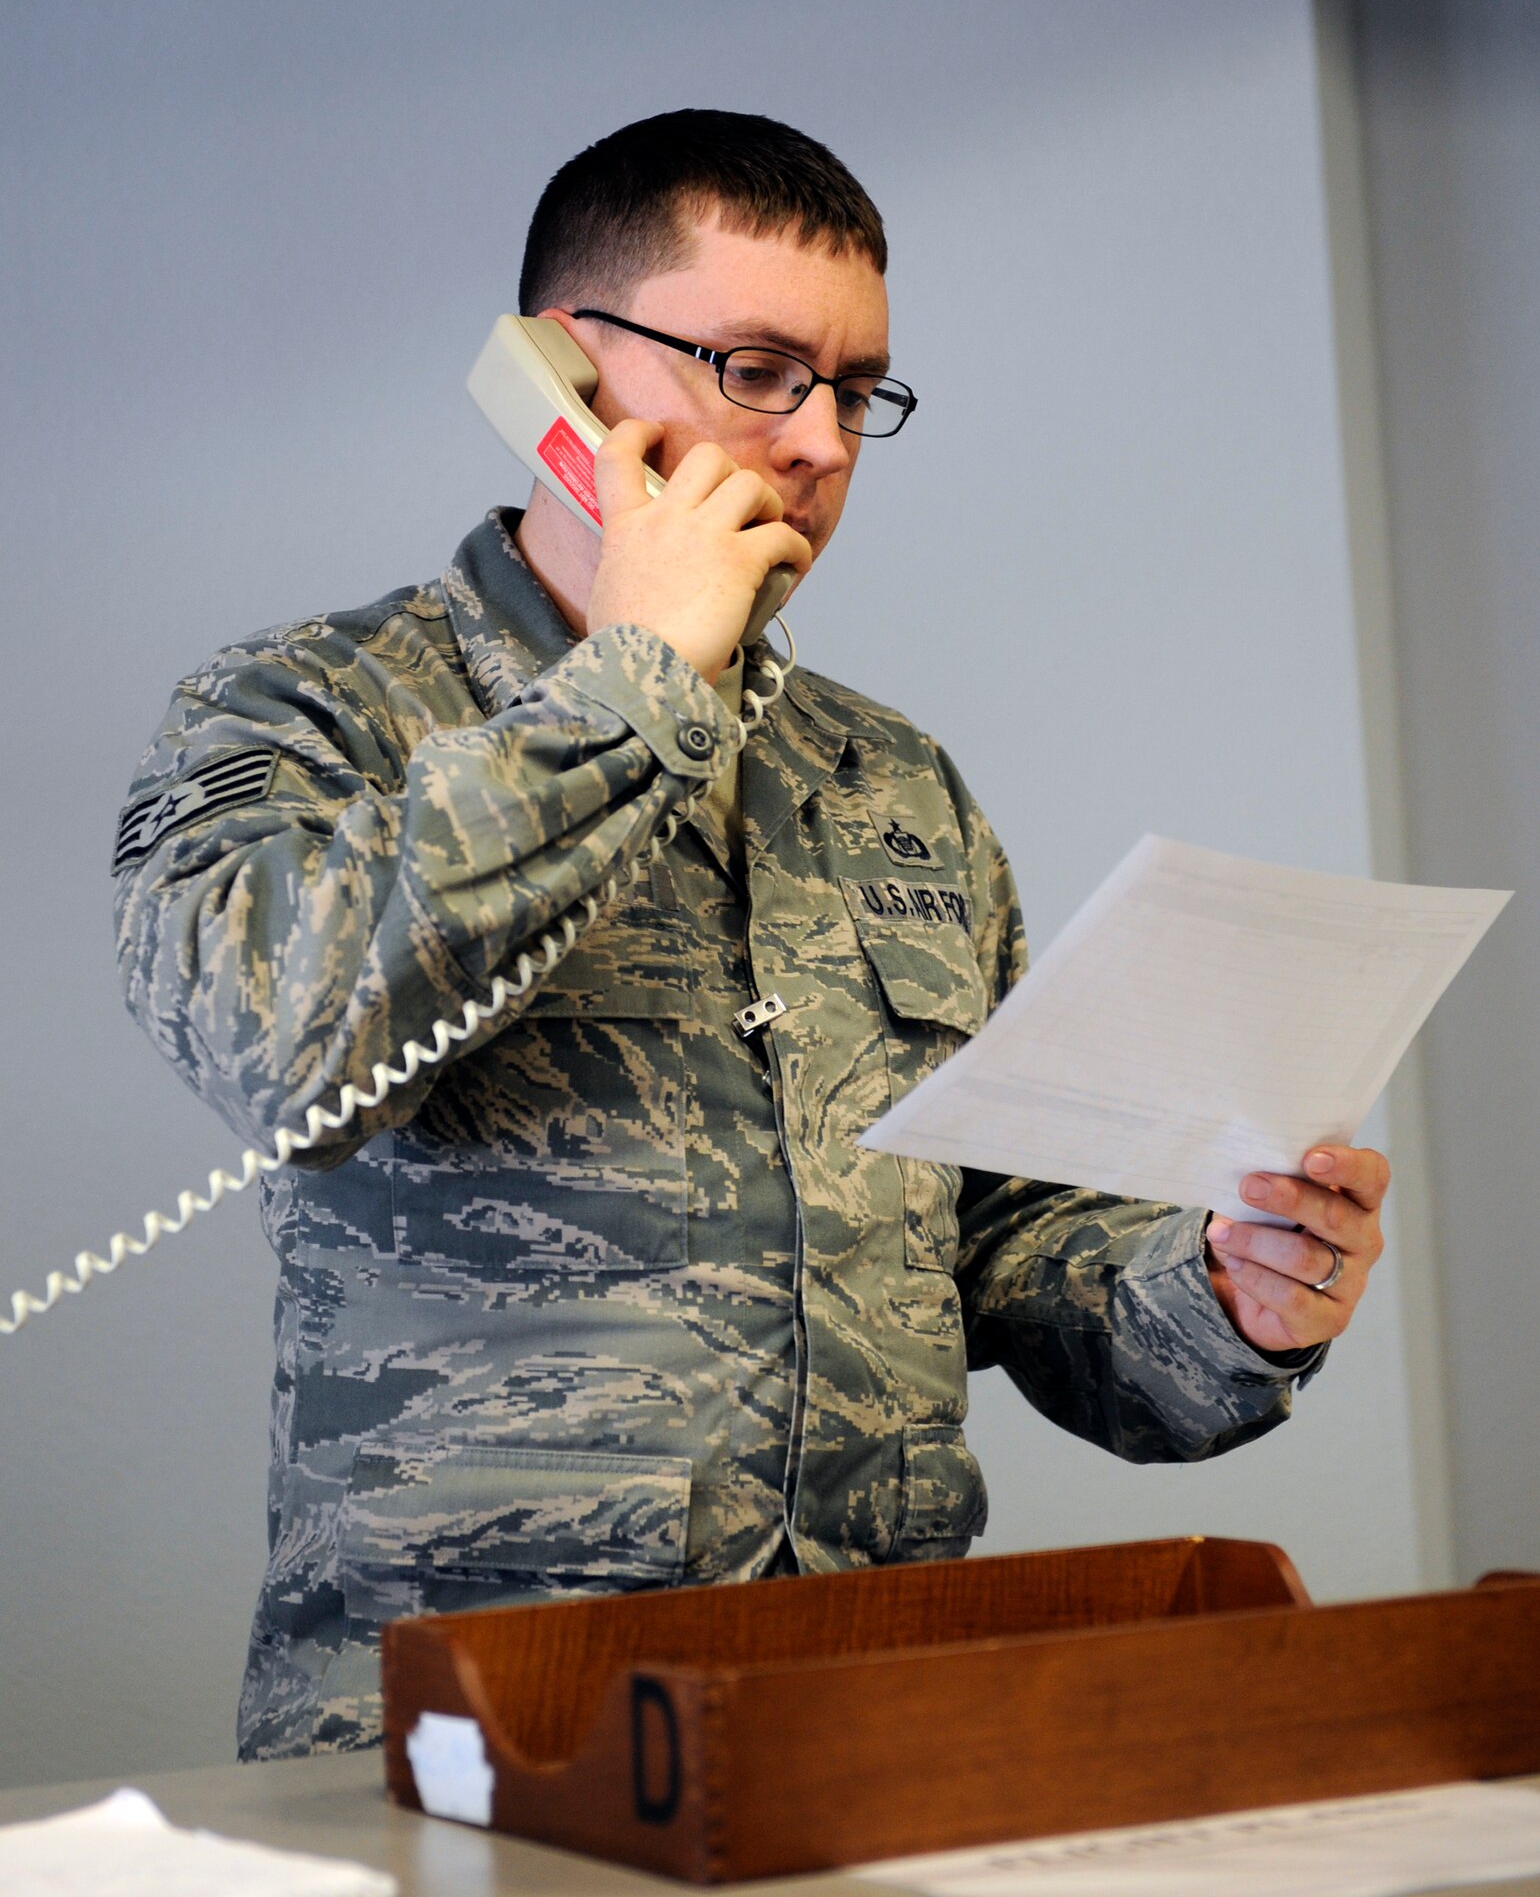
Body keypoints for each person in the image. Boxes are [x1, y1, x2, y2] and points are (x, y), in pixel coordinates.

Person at [112, 110, 1388, 1762]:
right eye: (760, 369)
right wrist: (638, 684)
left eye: (857, 390)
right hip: (468, 1737)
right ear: (564, 376)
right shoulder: (304, 710)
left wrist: (1226, 1293)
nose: (824, 444)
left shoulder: (894, 782)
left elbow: (1000, 1248)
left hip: (868, 1705)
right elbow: (274, 1037)